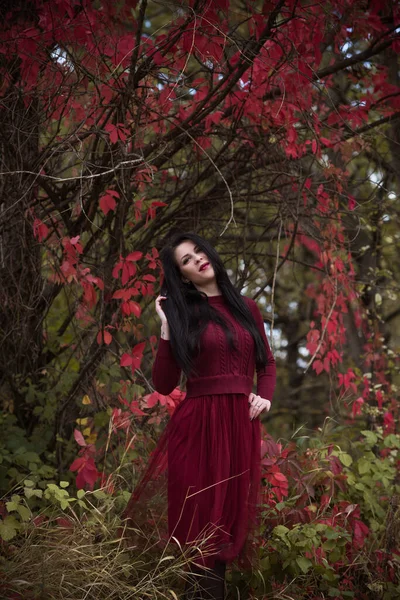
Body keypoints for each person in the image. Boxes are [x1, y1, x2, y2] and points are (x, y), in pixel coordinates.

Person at [123, 232, 276, 600]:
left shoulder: (246, 306)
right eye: (186, 261)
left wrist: (265, 397)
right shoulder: (183, 314)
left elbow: (266, 362)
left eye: (198, 252)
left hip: (239, 425)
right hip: (197, 426)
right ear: (183, 276)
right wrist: (165, 328)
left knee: (225, 525)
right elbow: (163, 384)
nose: (197, 260)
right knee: (199, 527)